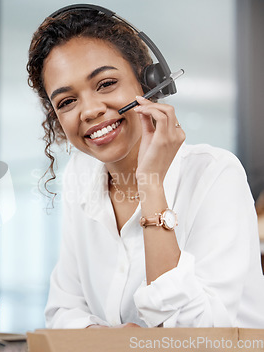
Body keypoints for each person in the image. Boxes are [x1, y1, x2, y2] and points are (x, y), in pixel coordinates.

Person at [27, 4, 264, 328]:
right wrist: (115, 342)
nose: (90, 110)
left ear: (149, 81)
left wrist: (151, 187)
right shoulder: (80, 179)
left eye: (106, 83)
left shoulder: (215, 174)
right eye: (67, 102)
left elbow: (195, 336)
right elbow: (63, 311)